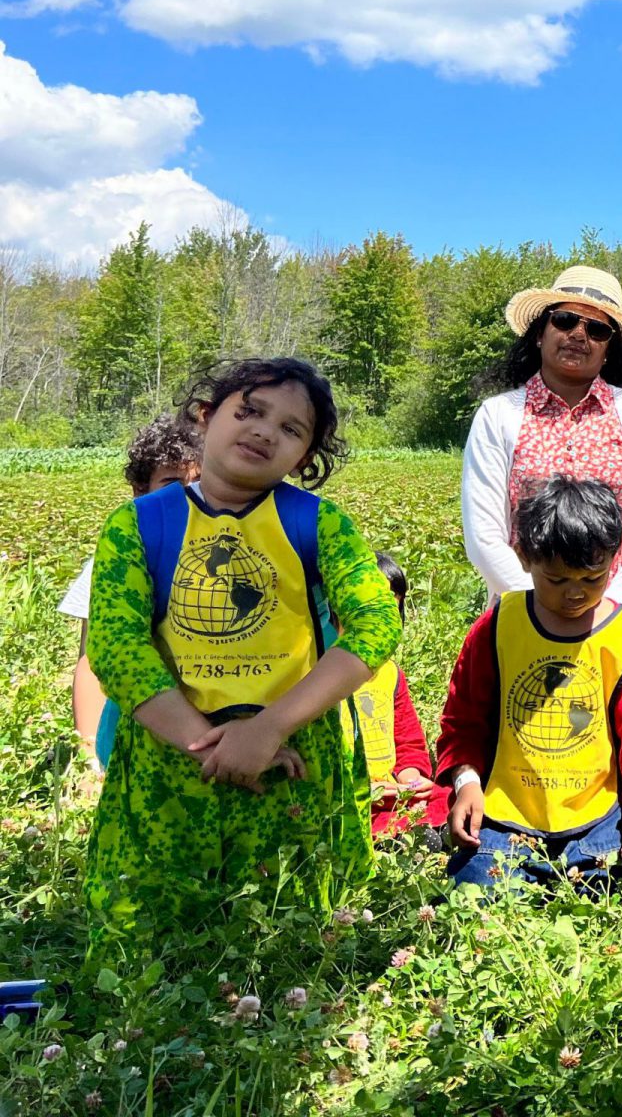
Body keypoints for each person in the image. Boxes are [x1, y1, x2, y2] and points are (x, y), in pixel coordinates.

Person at [81, 359, 402, 939]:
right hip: (166, 764)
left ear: (303, 458)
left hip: (292, 760)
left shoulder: (321, 524)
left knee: (286, 938)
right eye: (249, 411)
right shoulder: (136, 525)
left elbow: (376, 624)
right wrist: (206, 744)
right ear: (206, 419)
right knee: (149, 943)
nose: (263, 431)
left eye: (290, 429)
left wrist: (269, 728)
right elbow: (114, 645)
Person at [439, 476, 622, 891]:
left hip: (598, 819)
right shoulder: (498, 626)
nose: (575, 595)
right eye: (558, 580)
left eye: (591, 579)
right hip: (505, 817)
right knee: (472, 892)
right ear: (525, 557)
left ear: (614, 559)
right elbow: (464, 718)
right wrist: (466, 782)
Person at [461, 265, 622, 646]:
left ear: (610, 349)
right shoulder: (499, 415)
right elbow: (483, 536)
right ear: (539, 333)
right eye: (565, 320)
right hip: (521, 615)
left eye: (597, 330)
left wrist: (610, 604)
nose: (579, 334)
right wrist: (537, 610)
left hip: (619, 617)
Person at [62, 416, 202, 773]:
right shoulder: (120, 556)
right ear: (141, 491)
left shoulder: (237, 552)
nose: (187, 492)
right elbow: (91, 663)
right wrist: (88, 754)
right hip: (133, 734)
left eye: (199, 480)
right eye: (171, 482)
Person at [351, 553, 448, 839]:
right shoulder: (319, 675)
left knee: (449, 799)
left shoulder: (391, 674)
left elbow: (409, 742)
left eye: (392, 610)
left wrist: (412, 779)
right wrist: (370, 789)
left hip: (393, 794)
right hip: (353, 798)